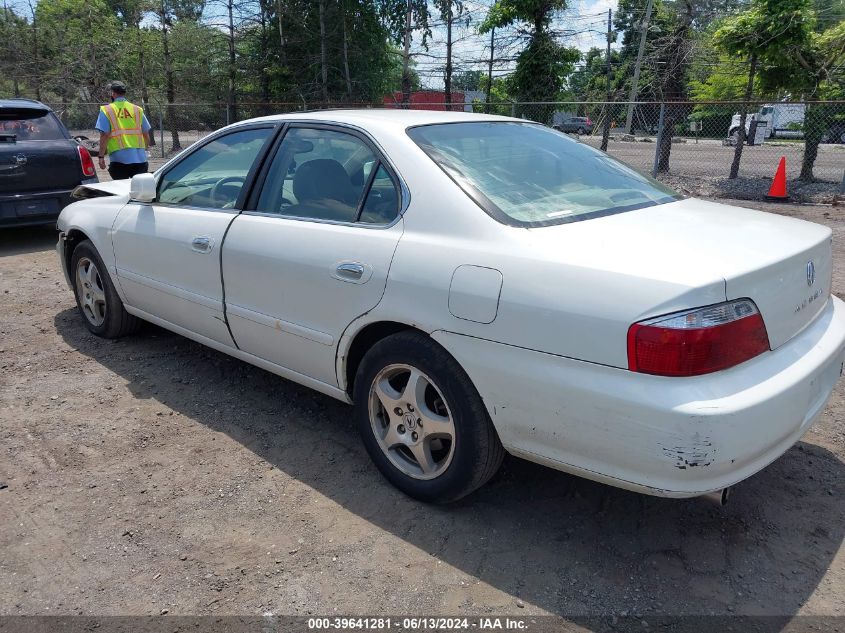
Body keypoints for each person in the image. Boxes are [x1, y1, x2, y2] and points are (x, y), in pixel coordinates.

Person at [96, 81, 152, 180]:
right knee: (139, 192)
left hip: (119, 160)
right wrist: (146, 149)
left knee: (122, 190)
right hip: (140, 159)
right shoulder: (137, 109)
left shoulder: (106, 110)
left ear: (112, 93)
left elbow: (105, 134)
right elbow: (146, 133)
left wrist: (101, 156)